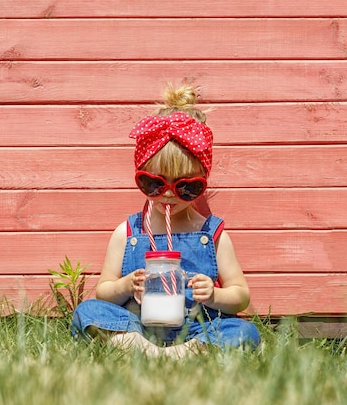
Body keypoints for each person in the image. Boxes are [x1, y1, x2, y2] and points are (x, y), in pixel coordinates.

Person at [71, 84, 261, 357]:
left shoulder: (211, 233)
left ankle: (179, 353)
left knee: (244, 332)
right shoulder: (128, 232)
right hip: (139, 326)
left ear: (202, 182)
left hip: (197, 328)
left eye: (186, 187)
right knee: (88, 311)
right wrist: (124, 286)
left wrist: (215, 296)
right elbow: (104, 291)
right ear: (141, 176)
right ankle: (142, 347)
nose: (169, 195)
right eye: (154, 184)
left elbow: (241, 295)